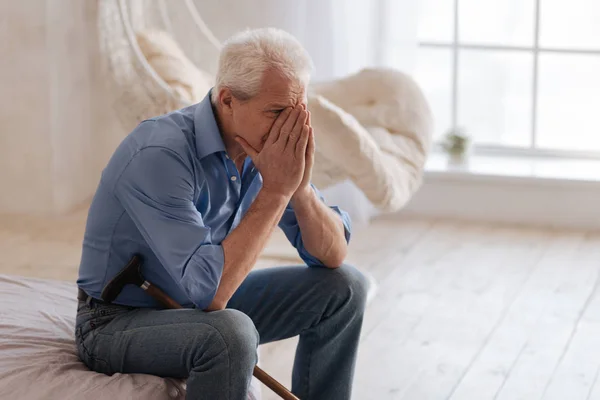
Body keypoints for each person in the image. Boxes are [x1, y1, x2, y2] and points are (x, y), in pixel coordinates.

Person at [75, 27, 368, 400]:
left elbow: (332, 255)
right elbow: (212, 296)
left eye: (298, 112)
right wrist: (277, 191)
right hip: (116, 321)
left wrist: (300, 189)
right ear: (228, 100)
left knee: (346, 287)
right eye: (277, 112)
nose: (289, 129)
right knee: (231, 333)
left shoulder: (267, 149)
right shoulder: (159, 155)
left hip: (198, 303)